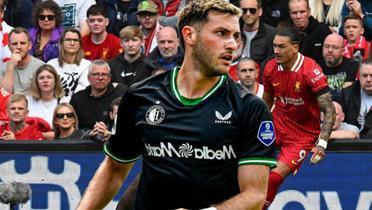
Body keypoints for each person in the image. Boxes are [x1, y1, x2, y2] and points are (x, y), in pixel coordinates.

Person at [78, 1, 276, 209]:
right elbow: (114, 169)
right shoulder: (140, 95)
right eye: (221, 33)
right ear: (189, 35)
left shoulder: (251, 107)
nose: (232, 45)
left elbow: (255, 195)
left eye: (235, 36)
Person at [262, 26, 335, 208]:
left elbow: (329, 110)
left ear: (295, 47)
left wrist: (322, 143)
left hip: (302, 136)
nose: (276, 51)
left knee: (273, 179)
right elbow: (265, 104)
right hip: (276, 126)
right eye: (274, 46)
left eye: (281, 47)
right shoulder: (270, 67)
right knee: (241, 165)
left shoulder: (311, 71)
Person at [70, 59, 126, 131]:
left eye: (104, 74)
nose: (100, 78)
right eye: (96, 74)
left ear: (109, 78)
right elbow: (72, 126)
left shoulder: (119, 98)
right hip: (82, 139)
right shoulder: (77, 98)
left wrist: (108, 130)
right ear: (88, 78)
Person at [47, 28, 91, 103]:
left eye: (75, 40)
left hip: (77, 105)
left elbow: (82, 92)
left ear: (80, 44)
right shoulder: (51, 64)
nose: (72, 43)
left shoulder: (87, 65)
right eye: (68, 40)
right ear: (61, 43)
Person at [0, 27, 45, 94]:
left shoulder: (40, 67)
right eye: (14, 44)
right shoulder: (2, 67)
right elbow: (5, 94)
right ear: (9, 47)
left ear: (30, 45)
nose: (19, 47)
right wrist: (10, 67)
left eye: (22, 43)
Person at [335, 60, 372, 138]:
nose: (368, 80)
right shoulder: (348, 92)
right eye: (365, 76)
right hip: (349, 139)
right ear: (358, 77)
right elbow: (336, 114)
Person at [320, 33, 359, 99]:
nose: (330, 50)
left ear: (343, 51)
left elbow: (347, 94)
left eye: (335, 47)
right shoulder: (316, 67)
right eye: (326, 46)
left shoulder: (352, 66)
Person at [27, 64, 64, 129]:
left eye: (49, 77)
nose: (45, 81)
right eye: (41, 78)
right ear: (36, 82)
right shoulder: (27, 101)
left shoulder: (64, 101)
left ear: (55, 81)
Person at [239, 0, 275, 68]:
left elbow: (272, 64)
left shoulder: (271, 34)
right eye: (244, 10)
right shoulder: (234, 31)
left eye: (252, 10)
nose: (248, 14)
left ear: (260, 11)